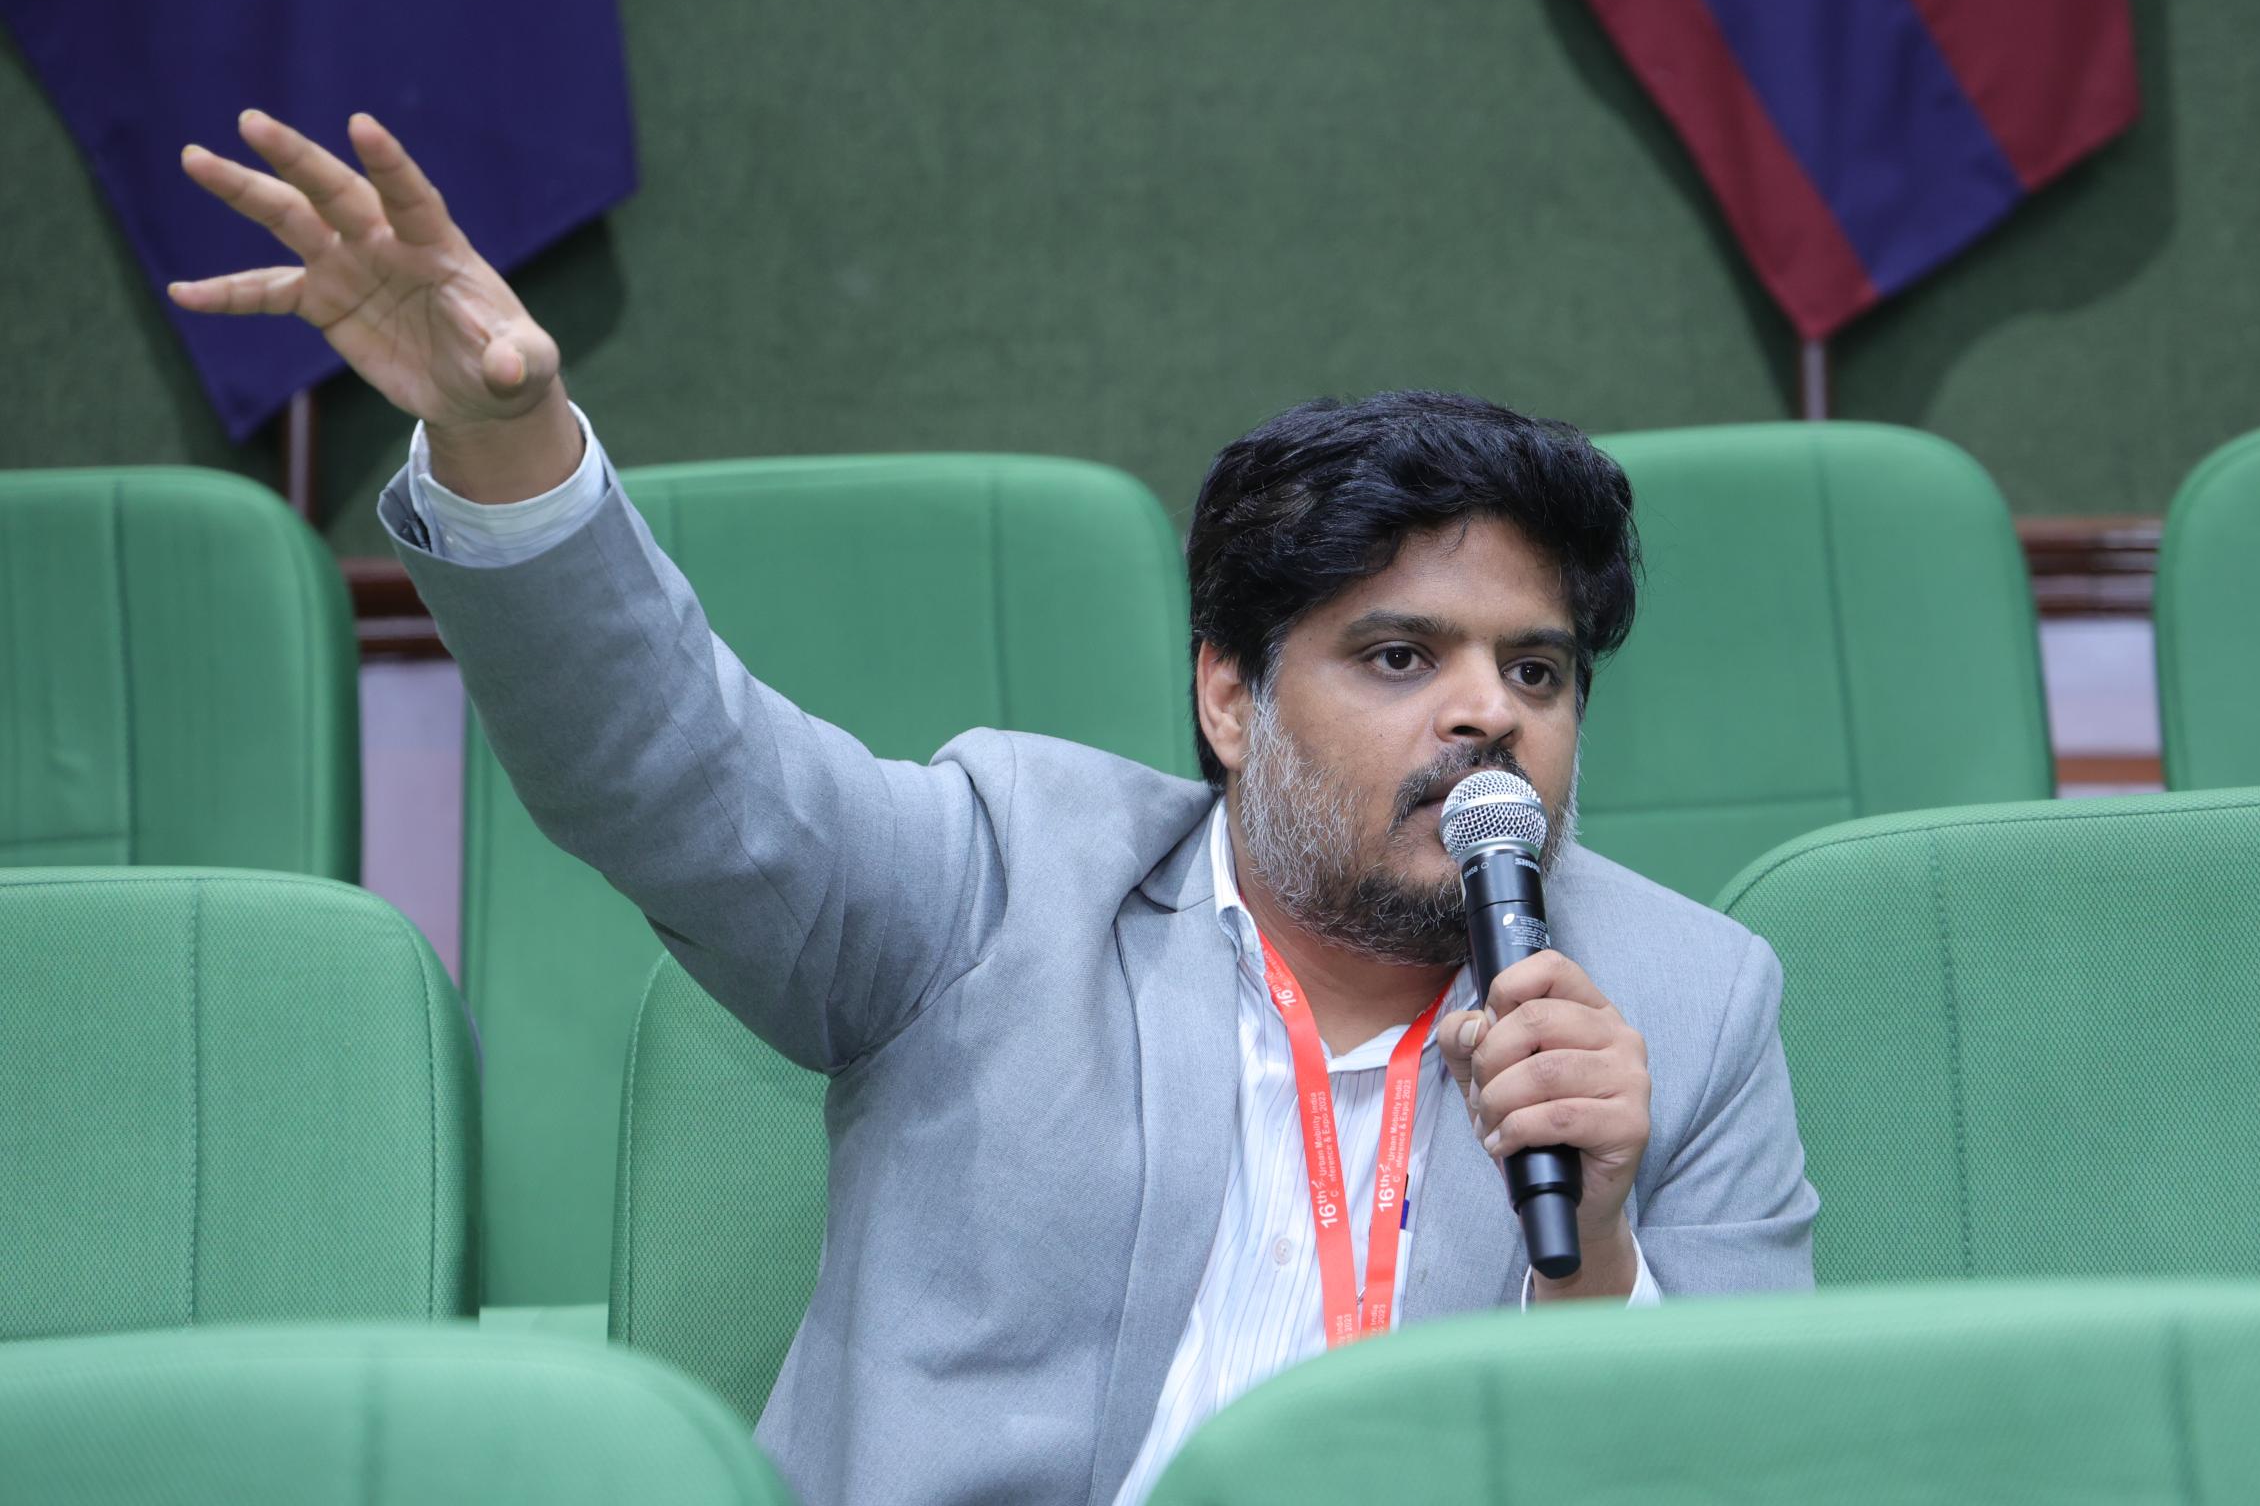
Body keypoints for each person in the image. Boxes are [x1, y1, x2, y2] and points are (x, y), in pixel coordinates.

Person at [173, 110, 1818, 1506]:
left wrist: (1596, 1257)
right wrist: (507, 442)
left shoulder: (1684, 1009)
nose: (1487, 713)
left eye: (1537, 672)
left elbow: (1756, 1467)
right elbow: (674, 776)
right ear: (1229, 698)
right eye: (1401, 655)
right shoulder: (1006, 879)